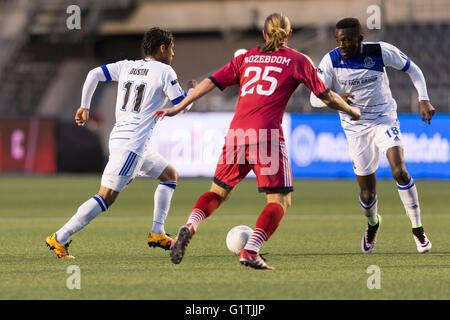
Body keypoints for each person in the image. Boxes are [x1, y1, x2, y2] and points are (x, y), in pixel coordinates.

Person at [152, 13, 360, 269]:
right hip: (266, 136)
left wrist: (179, 106)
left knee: (217, 192)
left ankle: (190, 225)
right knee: (279, 201)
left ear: (263, 34)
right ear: (290, 34)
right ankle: (251, 250)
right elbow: (325, 96)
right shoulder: (297, 60)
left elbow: (210, 82)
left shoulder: (245, 58)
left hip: (237, 133)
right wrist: (352, 111)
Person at [45, 27, 196, 259]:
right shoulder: (165, 71)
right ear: (163, 48)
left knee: (169, 175)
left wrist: (84, 105)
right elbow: (182, 108)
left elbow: (94, 73)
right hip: (132, 146)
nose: (173, 54)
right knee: (106, 197)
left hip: (124, 139)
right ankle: (60, 237)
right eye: (172, 49)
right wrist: (193, 91)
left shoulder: (127, 65)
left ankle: (157, 232)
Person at [310, 18, 436, 254]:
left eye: (347, 40)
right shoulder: (331, 61)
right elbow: (314, 99)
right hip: (356, 129)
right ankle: (373, 224)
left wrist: (424, 98)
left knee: (399, 171)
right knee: (368, 194)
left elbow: (413, 69)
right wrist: (335, 98)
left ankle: (418, 229)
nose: (342, 45)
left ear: (360, 38)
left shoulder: (380, 51)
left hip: (384, 119)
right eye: (338, 40)